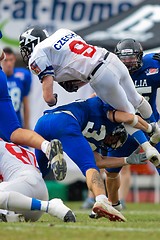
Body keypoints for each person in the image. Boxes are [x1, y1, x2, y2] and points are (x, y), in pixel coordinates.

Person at [19, 26, 160, 166]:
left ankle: (149, 147)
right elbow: (80, 62)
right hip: (109, 58)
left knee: (127, 113)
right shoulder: (62, 32)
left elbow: (48, 97)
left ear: (33, 43)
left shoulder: (38, 54)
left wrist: (53, 99)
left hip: (99, 75)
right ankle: (155, 126)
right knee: (135, 98)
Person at [33, 96, 156, 222]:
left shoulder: (95, 129)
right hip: (66, 121)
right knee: (89, 166)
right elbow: (129, 118)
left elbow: (100, 160)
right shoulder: (109, 112)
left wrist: (126, 160)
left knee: (37, 172)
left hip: (43, 122)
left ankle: (22, 198)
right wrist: (151, 128)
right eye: (114, 139)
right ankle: (102, 200)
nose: (111, 142)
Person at [0, 31, 66, 181]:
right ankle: (46, 146)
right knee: (15, 132)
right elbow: (1, 55)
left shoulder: (21, 76)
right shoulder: (20, 75)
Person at [106, 38, 160, 209]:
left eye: (131, 59)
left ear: (140, 56)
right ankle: (113, 203)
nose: (128, 64)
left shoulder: (153, 64)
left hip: (150, 127)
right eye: (124, 60)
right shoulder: (110, 72)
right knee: (111, 171)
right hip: (124, 130)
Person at [0, 138, 76, 222]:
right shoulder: (9, 148)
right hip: (29, 197)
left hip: (26, 185)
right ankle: (10, 217)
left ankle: (49, 206)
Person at [1, 47, 32, 129]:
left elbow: (25, 103)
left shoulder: (23, 75)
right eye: (6, 60)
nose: (9, 63)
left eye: (11, 60)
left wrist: (26, 125)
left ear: (14, 59)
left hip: (16, 122)